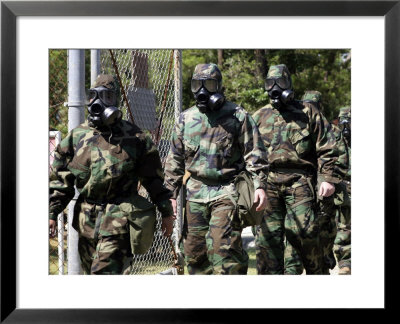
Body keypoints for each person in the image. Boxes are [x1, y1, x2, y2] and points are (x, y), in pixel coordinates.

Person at [49, 74, 175, 275]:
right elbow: (60, 181)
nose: (98, 102)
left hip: (119, 221)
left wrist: (167, 212)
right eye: (93, 96)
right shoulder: (77, 137)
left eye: (107, 96)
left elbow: (154, 181)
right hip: (86, 222)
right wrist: (51, 214)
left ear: (116, 100)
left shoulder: (136, 138)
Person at [164, 63, 268, 275]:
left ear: (219, 86)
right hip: (195, 195)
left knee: (224, 251)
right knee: (195, 255)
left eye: (209, 84)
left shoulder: (237, 115)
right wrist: (171, 196)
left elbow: (255, 153)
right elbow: (174, 160)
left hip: (227, 192)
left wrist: (260, 186)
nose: (202, 91)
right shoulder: (186, 119)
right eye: (197, 85)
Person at [252, 64, 340, 274]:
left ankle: (317, 276)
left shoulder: (308, 111)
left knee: (306, 234)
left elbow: (327, 146)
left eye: (279, 83)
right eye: (269, 84)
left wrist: (327, 178)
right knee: (267, 239)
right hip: (268, 182)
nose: (274, 88)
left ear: (289, 84)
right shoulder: (259, 115)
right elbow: (250, 152)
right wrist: (255, 184)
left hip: (300, 181)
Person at [333, 107, 351, 274]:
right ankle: (345, 262)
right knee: (344, 227)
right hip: (344, 187)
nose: (346, 125)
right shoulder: (335, 139)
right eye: (343, 121)